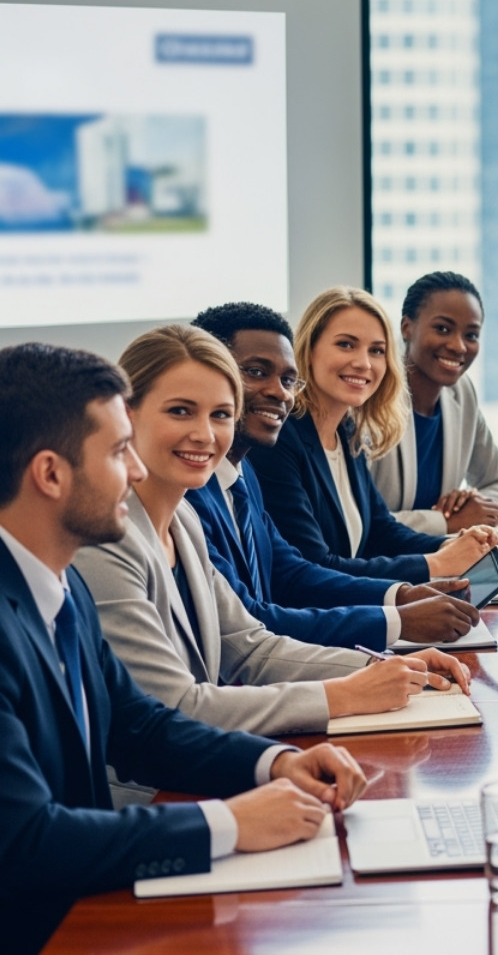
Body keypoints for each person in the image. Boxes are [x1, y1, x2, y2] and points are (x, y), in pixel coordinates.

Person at [0, 342, 367, 954]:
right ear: (50, 473)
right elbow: (27, 841)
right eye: (119, 452)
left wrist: (272, 764)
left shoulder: (60, 587)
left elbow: (140, 726)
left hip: (89, 906)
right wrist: (228, 823)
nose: (137, 471)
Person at [72, 326, 471, 760]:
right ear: (127, 415)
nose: (206, 435)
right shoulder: (108, 541)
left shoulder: (182, 520)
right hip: (145, 794)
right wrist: (344, 695)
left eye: (221, 415)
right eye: (181, 411)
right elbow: (178, 706)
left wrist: (385, 668)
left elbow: (249, 646)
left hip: (207, 766)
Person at [186, 302, 481, 649]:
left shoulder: (243, 473)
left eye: (286, 379)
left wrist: (403, 594)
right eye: (255, 372)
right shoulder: (200, 487)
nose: (279, 392)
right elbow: (253, 621)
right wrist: (398, 616)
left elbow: (292, 572)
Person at [247, 287, 498, 581]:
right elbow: (315, 567)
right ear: (309, 349)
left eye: (376, 351)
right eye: (346, 344)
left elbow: (380, 532)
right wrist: (438, 564)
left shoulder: (346, 430)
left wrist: (455, 545)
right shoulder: (282, 439)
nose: (363, 363)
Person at [369, 271, 498, 533]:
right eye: (443, 329)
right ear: (407, 327)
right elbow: (361, 521)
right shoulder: (371, 396)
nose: (459, 346)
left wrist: (476, 507)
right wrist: (446, 521)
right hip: (380, 567)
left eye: (471, 335)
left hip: (441, 562)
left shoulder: (461, 392)